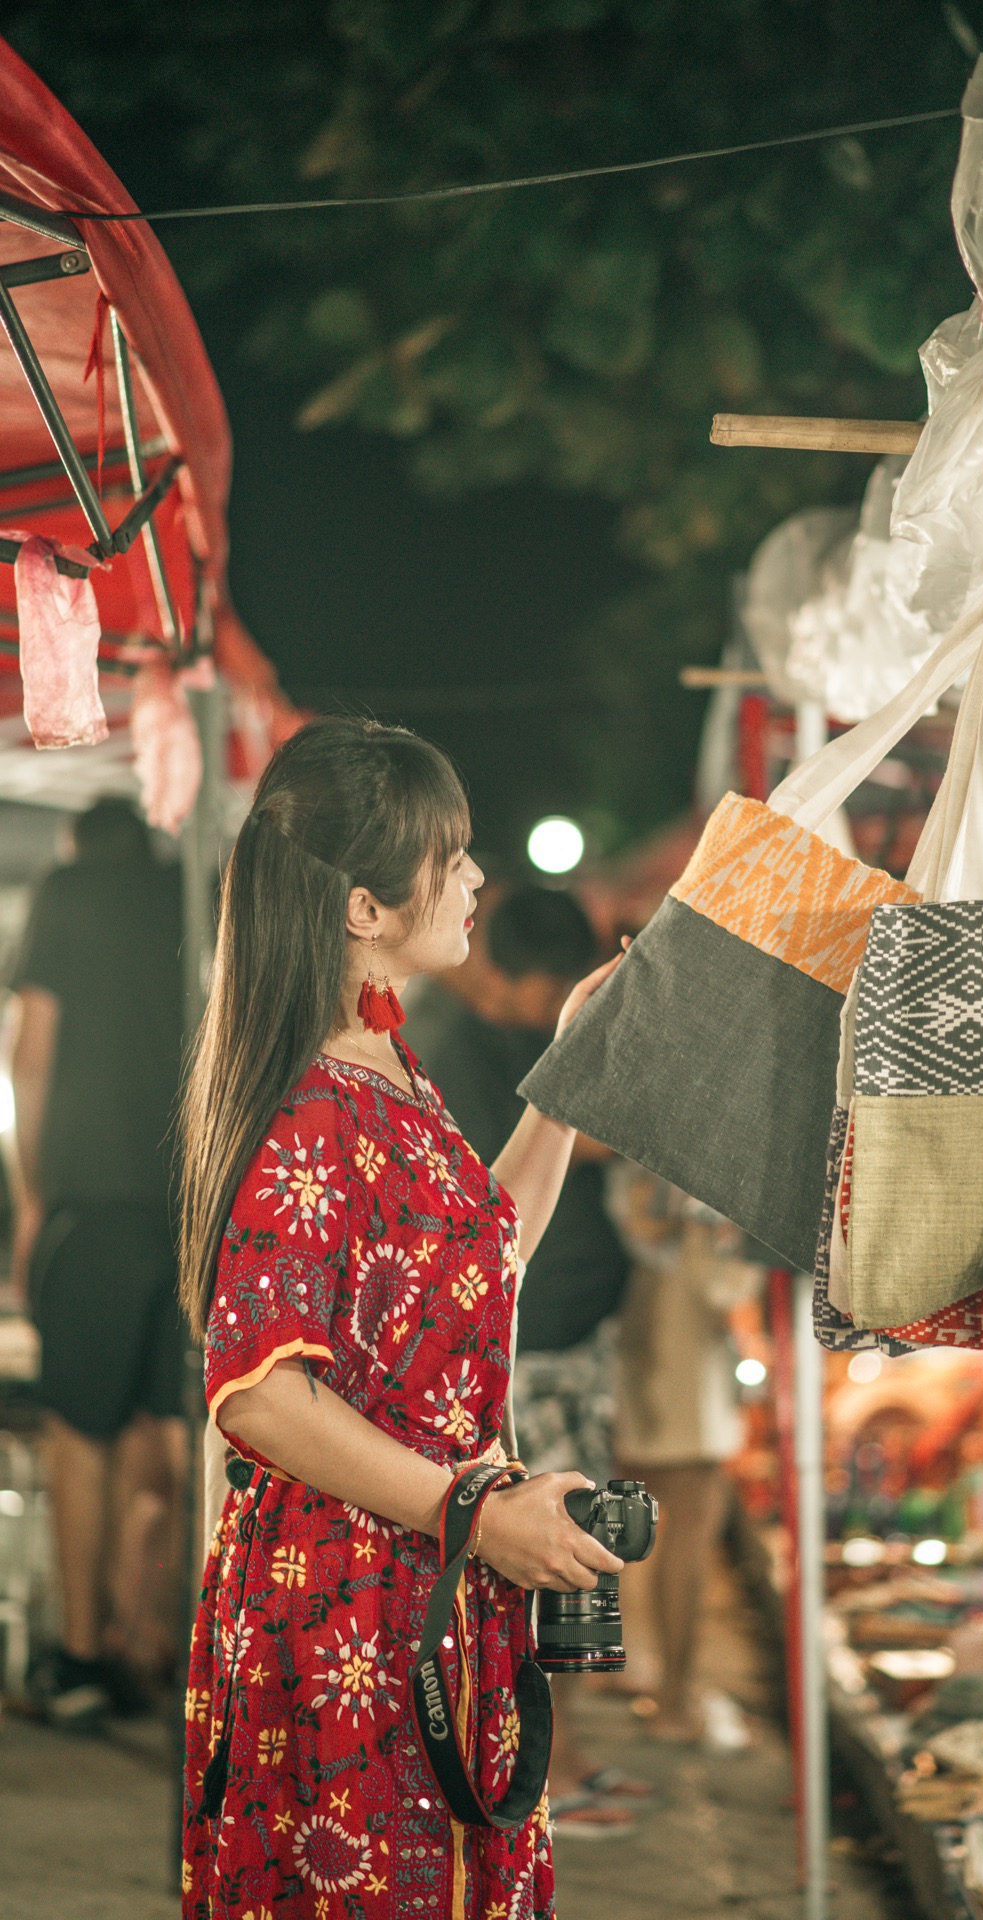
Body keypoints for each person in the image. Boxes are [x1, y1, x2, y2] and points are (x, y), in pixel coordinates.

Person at [179, 717, 625, 1920]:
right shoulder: (312, 1105)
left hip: (422, 1582)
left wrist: (573, 1069)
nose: (478, 878)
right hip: (348, 1614)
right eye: (453, 852)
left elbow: (486, 1261)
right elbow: (260, 1393)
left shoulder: (388, 1070)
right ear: (363, 907)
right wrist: (471, 1512)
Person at [420, 886, 641, 1834]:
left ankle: (562, 1753)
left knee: (585, 1548)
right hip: (531, 1345)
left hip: (568, 1339)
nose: (470, 882)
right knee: (551, 1555)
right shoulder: (453, 1040)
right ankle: (540, 1763)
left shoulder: (492, 1030)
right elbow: (525, 1172)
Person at [10, 795, 188, 1725]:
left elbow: (30, 1054)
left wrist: (34, 1194)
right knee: (167, 1429)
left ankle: (82, 1654)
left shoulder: (67, 892)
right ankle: (146, 1634)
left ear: (82, 844)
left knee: (80, 1430)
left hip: (94, 1199)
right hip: (190, 1205)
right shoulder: (186, 889)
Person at [609, 1167, 762, 1745]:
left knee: (617, 1525)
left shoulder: (636, 1157)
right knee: (688, 1533)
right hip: (680, 1361)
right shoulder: (690, 1166)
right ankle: (674, 1699)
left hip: (632, 1354)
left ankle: (628, 1671)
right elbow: (723, 1286)